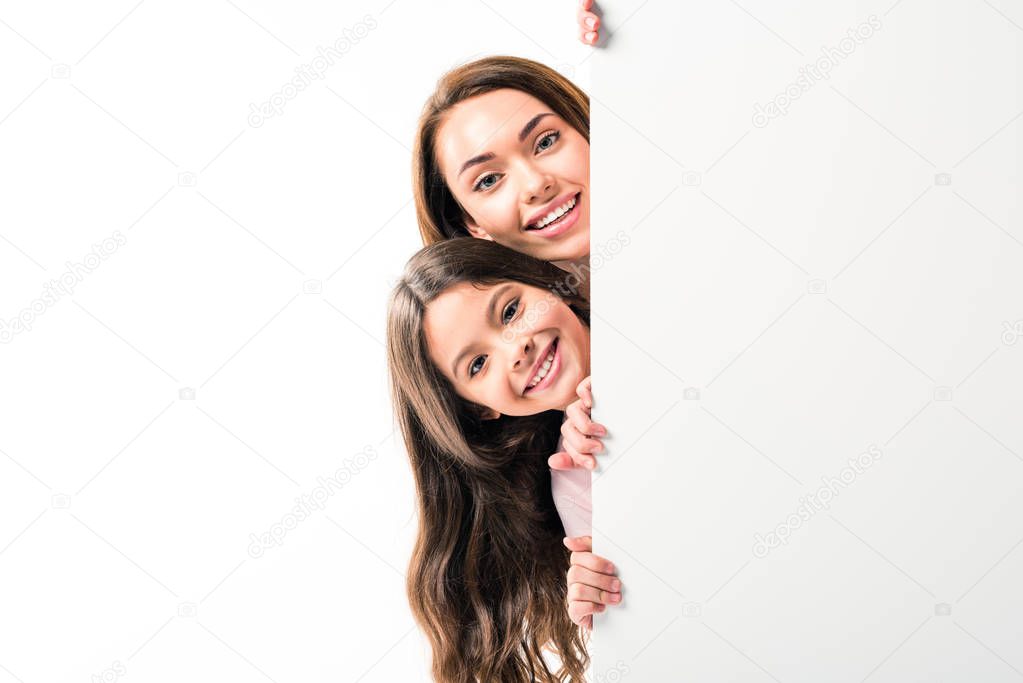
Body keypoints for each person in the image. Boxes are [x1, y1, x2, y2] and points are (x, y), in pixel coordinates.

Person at [387, 238, 617, 680]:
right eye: (477, 365)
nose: (515, 350)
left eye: (510, 312)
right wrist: (601, 598)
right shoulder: (570, 479)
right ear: (481, 409)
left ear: (552, 285)